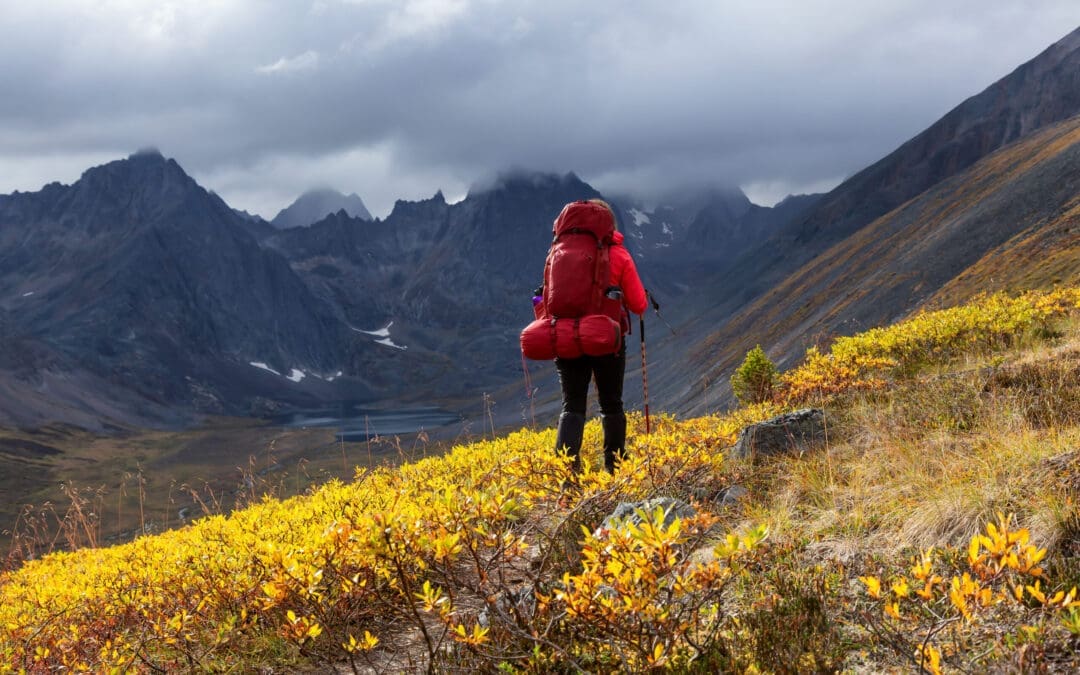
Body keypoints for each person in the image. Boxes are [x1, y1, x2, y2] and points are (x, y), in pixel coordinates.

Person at [553, 199, 647, 473]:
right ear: (608, 224)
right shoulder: (619, 255)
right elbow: (638, 304)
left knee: (572, 405)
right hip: (607, 339)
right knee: (611, 402)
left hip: (568, 338)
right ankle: (614, 468)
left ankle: (566, 476)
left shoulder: (557, 252)